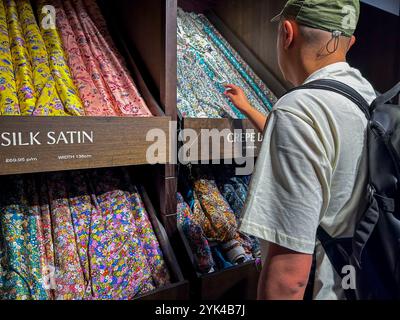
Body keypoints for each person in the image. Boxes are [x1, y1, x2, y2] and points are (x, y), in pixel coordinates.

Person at [225, 0, 376, 300]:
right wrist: (248, 108)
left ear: (286, 33)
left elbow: (289, 279)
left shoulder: (299, 110)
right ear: (350, 42)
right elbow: (316, 143)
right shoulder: (368, 97)